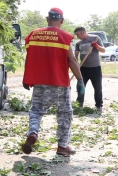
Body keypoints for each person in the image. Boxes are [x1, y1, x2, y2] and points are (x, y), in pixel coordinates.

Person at [21, 8, 84, 157]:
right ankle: (62, 147)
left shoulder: (34, 35)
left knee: (36, 110)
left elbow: (29, 58)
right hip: (60, 83)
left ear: (47, 19)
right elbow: (72, 60)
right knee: (64, 114)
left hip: (39, 82)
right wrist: (80, 80)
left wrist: (26, 78)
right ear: (61, 21)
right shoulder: (64, 37)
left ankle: (33, 132)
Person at [73, 26, 105, 113]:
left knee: (97, 87)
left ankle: (99, 106)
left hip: (95, 68)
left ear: (83, 32)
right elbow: (75, 56)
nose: (77, 37)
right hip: (83, 68)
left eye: (78, 34)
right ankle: (79, 105)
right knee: (80, 86)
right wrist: (75, 64)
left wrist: (96, 46)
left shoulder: (95, 38)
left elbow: (103, 50)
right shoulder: (78, 43)